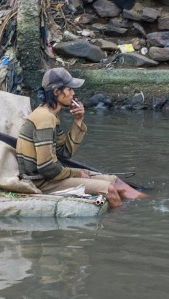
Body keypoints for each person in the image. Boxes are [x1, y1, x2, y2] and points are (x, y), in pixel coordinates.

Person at [15, 67, 147, 208]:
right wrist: (77, 173)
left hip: (51, 177)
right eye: (69, 89)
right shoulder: (45, 118)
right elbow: (46, 167)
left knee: (115, 181)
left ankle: (148, 207)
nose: (73, 93)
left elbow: (64, 153)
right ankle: (122, 219)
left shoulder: (51, 115)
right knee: (109, 190)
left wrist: (78, 120)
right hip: (41, 182)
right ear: (56, 92)